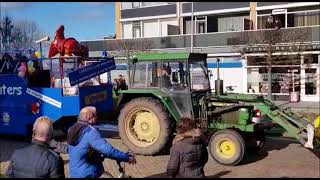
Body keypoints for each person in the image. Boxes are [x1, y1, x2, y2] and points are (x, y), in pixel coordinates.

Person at [67, 106, 136, 178]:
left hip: (75, 172)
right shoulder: (90, 132)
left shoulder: (72, 128)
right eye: (96, 115)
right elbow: (108, 151)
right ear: (89, 117)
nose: (97, 117)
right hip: (88, 173)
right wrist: (127, 158)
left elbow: (82, 148)